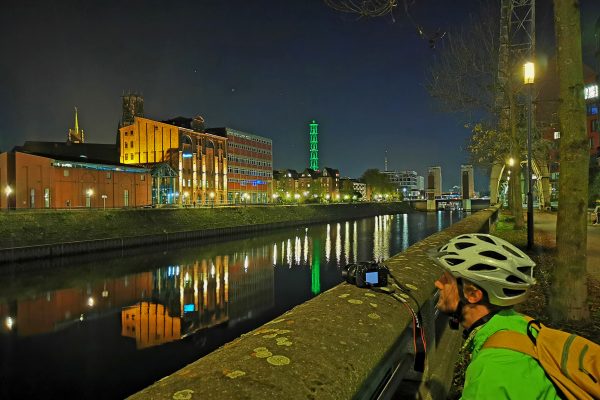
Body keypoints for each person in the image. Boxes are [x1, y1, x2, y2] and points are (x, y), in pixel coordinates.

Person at [430, 233, 560, 399]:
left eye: (446, 279)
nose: (438, 283)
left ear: (472, 294)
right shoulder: (519, 325)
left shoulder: (491, 371)